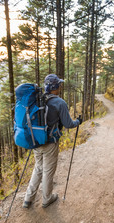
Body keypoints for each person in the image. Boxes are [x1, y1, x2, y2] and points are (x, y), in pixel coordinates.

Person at [23, 74, 82, 209]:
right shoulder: (59, 102)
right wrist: (78, 121)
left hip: (36, 141)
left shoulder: (39, 100)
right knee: (48, 171)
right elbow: (68, 124)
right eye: (59, 85)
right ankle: (47, 199)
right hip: (50, 143)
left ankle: (28, 199)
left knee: (38, 168)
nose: (61, 86)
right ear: (55, 87)